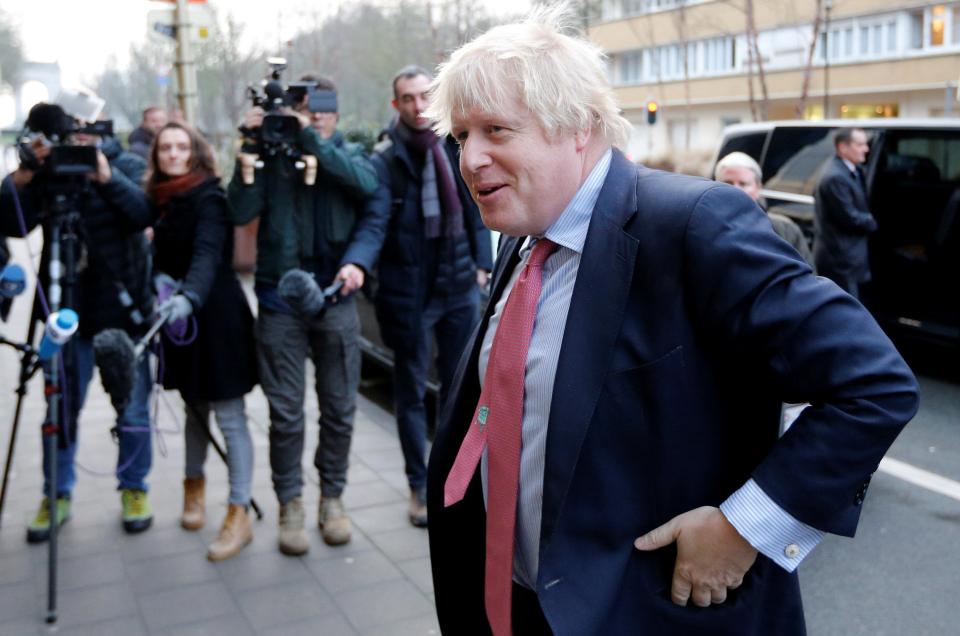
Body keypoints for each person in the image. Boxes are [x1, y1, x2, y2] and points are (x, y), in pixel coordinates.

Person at [424, 7, 919, 635]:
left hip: (648, 614)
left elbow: (873, 385)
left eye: (496, 129)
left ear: (577, 126)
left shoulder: (692, 223)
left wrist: (745, 529)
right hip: (517, 605)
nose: (470, 159)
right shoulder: (523, 234)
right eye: (461, 135)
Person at [227, 75, 383, 555]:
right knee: (286, 414)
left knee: (339, 408)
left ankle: (331, 499)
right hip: (279, 301)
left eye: (320, 108)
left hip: (334, 300)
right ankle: (290, 503)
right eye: (302, 108)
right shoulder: (270, 153)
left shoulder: (348, 153)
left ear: (335, 112)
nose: (311, 115)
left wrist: (311, 139)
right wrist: (251, 151)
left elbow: (365, 185)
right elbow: (239, 212)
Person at [0, 102, 156, 541]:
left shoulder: (122, 162)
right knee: (59, 407)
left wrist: (104, 176)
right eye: (72, 134)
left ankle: (134, 487)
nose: (79, 141)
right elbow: (10, 223)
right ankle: (57, 493)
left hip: (123, 311)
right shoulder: (47, 173)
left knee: (134, 407)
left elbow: (143, 213)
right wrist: (26, 174)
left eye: (87, 132)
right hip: (63, 311)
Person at [368, 65, 492, 528]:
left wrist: (483, 264)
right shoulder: (386, 159)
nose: (419, 106)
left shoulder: (455, 144)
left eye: (425, 96)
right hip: (411, 298)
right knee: (411, 394)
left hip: (459, 287)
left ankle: (457, 480)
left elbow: (479, 208)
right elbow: (376, 223)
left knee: (463, 392)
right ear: (395, 105)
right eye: (408, 99)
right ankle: (419, 486)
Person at [144, 122, 258, 561]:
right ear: (157, 155)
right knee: (194, 407)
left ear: (194, 152)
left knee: (229, 415)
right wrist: (158, 278)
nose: (173, 154)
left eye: (181, 147)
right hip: (180, 316)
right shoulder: (159, 198)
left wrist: (188, 295)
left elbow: (209, 252)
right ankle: (193, 488)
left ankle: (238, 510)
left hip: (216, 318)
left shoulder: (209, 196)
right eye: (165, 148)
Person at [715, 151, 815, 269]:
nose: (736, 190)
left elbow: (807, 277)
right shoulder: (703, 227)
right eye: (728, 183)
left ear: (758, 188)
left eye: (743, 184)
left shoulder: (785, 230)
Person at [814, 127, 876, 299]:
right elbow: (849, 217)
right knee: (848, 309)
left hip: (852, 256)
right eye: (860, 144)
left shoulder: (853, 169)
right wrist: (872, 221)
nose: (866, 149)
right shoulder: (835, 176)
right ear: (843, 147)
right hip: (841, 259)